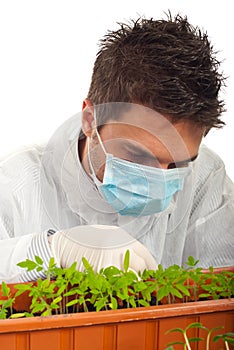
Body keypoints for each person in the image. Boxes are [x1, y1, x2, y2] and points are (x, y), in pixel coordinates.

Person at [0, 13, 233, 283]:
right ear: (90, 120)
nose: (157, 180)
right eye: (137, 155)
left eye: (178, 165)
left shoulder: (206, 180)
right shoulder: (15, 185)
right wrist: (53, 249)